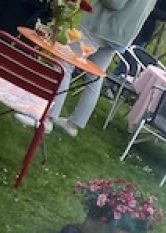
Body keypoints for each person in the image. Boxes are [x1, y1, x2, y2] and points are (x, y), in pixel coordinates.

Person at [16, 0, 156, 137]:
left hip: (101, 26)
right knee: (94, 76)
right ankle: (74, 124)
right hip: (122, 33)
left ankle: (47, 118)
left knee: (64, 63)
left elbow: (115, 3)